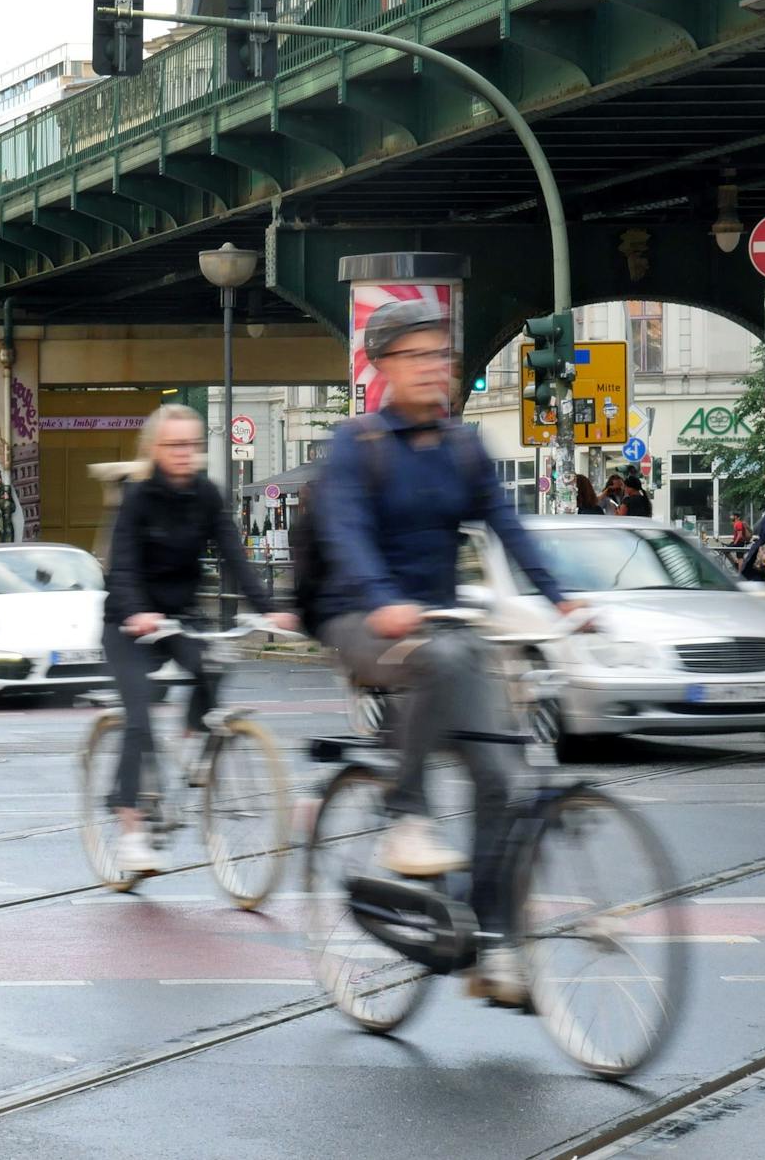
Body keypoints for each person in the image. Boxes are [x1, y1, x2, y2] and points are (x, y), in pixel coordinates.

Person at [315, 298, 582, 1005]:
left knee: (502, 777)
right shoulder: (358, 444)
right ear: (384, 365)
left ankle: (493, 946)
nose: (436, 368)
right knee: (433, 657)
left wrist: (560, 598)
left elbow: (506, 525)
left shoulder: (464, 447)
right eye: (419, 355)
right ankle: (405, 814)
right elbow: (346, 533)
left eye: (443, 355)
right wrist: (382, 599)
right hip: (362, 617)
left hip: (438, 623)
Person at [104, 405, 296, 873]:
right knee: (138, 719)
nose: (185, 453)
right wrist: (138, 613)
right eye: (174, 445)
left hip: (179, 618)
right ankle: (131, 829)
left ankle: (192, 740)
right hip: (129, 623)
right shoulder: (137, 498)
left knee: (215, 661)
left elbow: (234, 554)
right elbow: (122, 566)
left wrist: (268, 609)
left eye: (192, 444)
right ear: (154, 449)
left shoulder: (207, 495)